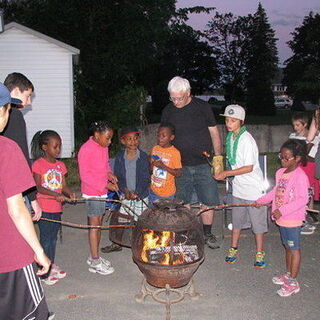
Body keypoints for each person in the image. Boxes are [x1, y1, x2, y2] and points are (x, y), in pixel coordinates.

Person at [0, 82, 54, 319]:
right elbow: (17, 210)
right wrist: (38, 250)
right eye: (8, 110)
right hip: (9, 255)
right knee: (31, 313)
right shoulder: (6, 149)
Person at [161, 76, 222, 249]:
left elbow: (214, 132)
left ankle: (207, 233)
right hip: (180, 166)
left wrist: (217, 158)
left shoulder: (202, 108)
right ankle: (189, 232)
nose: (176, 101)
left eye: (180, 98)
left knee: (208, 200)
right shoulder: (168, 110)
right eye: (173, 98)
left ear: (189, 93)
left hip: (204, 163)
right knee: (183, 200)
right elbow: (165, 136)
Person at [215, 105, 268, 268]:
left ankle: (260, 252)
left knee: (257, 224)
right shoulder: (231, 137)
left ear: (241, 121)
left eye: (233, 120)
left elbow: (249, 167)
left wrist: (226, 174)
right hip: (239, 187)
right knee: (236, 221)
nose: (229, 124)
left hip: (253, 189)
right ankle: (233, 248)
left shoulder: (247, 140)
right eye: (227, 120)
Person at [256, 139, 309, 297]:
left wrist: (283, 210)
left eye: (286, 157)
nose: (282, 159)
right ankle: (288, 273)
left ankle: (293, 281)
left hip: (292, 219)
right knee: (287, 246)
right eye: (281, 156)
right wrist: (260, 201)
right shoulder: (280, 173)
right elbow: (275, 192)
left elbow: (302, 199)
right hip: (282, 219)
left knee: (294, 249)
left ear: (297, 158)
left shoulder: (300, 176)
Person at [31, 130, 76, 285]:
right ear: (44, 147)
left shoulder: (60, 165)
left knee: (53, 238)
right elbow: (37, 187)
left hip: (56, 208)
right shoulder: (38, 165)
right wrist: (54, 195)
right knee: (46, 239)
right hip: (44, 208)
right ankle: (44, 270)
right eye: (55, 146)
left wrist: (69, 193)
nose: (58, 150)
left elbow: (63, 185)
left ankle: (51, 263)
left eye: (59, 146)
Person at [78, 121, 118, 275]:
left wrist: (109, 174)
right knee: (94, 226)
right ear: (96, 135)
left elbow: (105, 165)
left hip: (101, 191)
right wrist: (106, 185)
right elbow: (85, 176)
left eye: (111, 138)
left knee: (98, 224)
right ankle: (95, 261)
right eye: (107, 138)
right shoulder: (86, 149)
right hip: (93, 192)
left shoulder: (103, 147)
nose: (109, 142)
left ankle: (93, 255)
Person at [101, 125, 150, 253]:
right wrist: (124, 190)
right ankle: (116, 242)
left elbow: (145, 178)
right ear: (123, 141)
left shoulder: (143, 157)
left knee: (140, 221)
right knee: (121, 219)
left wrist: (137, 193)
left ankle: (142, 245)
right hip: (125, 194)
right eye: (129, 139)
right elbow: (117, 176)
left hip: (140, 195)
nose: (133, 142)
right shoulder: (120, 157)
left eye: (135, 139)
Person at [2, 72, 42, 221]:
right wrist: (32, 198)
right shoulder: (14, 115)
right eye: (28, 95)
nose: (29, 101)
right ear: (16, 91)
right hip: (13, 188)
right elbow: (22, 158)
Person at [289, 112, 319, 234]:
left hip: (309, 164)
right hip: (298, 164)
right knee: (300, 190)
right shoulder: (293, 135)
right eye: (294, 125)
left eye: (298, 125)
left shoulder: (312, 135)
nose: (295, 128)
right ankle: (303, 214)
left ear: (305, 124)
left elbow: (310, 149)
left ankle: (309, 213)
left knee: (309, 190)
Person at [149, 122, 182, 204]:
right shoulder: (155, 149)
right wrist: (152, 164)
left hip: (167, 194)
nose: (160, 138)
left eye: (163, 136)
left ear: (171, 137)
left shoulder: (175, 153)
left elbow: (178, 173)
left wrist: (163, 166)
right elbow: (150, 170)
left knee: (165, 216)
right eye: (158, 135)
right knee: (152, 215)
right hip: (153, 191)